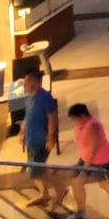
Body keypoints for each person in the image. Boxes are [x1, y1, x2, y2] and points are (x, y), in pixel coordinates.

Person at [64, 103, 109, 219]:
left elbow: (93, 147)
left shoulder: (92, 126)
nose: (73, 122)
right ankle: (80, 210)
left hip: (100, 160)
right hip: (85, 158)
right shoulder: (79, 125)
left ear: (82, 116)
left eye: (74, 119)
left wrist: (86, 167)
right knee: (74, 179)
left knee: (102, 183)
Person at [21, 72, 61, 209]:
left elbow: (52, 118)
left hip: (40, 140)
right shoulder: (29, 98)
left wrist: (50, 137)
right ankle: (44, 194)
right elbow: (27, 117)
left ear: (34, 83)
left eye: (27, 83)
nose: (25, 86)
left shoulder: (45, 97)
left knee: (38, 171)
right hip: (31, 139)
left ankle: (60, 189)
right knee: (37, 170)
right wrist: (22, 132)